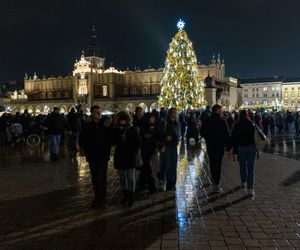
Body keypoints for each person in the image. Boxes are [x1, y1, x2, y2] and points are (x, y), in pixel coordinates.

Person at [79, 105, 113, 209]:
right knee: (94, 177)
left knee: (102, 177)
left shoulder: (106, 125)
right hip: (92, 156)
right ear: (92, 114)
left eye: (99, 111)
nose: (98, 113)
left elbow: (110, 139)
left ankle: (102, 198)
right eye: (96, 112)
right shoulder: (87, 126)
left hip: (103, 155)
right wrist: (87, 148)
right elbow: (82, 140)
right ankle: (97, 197)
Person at [200, 104, 230, 193]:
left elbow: (202, 132)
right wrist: (228, 147)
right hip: (219, 146)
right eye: (221, 110)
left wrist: (208, 139)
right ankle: (216, 184)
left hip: (210, 146)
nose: (222, 111)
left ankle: (214, 181)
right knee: (218, 165)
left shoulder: (207, 121)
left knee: (212, 163)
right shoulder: (222, 121)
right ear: (217, 111)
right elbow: (227, 135)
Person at [114, 111, 141, 207]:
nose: (122, 122)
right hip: (120, 156)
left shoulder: (132, 129)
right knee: (121, 177)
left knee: (130, 177)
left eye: (124, 120)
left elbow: (137, 142)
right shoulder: (116, 130)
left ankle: (131, 195)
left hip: (130, 156)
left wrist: (133, 151)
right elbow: (113, 141)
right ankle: (125, 194)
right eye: (120, 120)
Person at [229, 110, 256, 196]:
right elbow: (256, 137)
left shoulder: (237, 124)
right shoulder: (251, 123)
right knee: (251, 168)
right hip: (251, 147)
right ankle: (251, 188)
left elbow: (233, 138)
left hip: (241, 148)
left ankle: (243, 182)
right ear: (247, 115)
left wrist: (232, 148)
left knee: (242, 166)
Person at [158, 108, 180, 191]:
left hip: (174, 146)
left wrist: (176, 138)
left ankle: (172, 184)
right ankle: (163, 179)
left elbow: (178, 133)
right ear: (170, 113)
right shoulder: (165, 122)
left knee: (173, 165)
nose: (176, 114)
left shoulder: (177, 123)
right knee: (166, 164)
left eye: (176, 112)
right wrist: (165, 138)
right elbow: (160, 133)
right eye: (174, 112)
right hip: (167, 146)